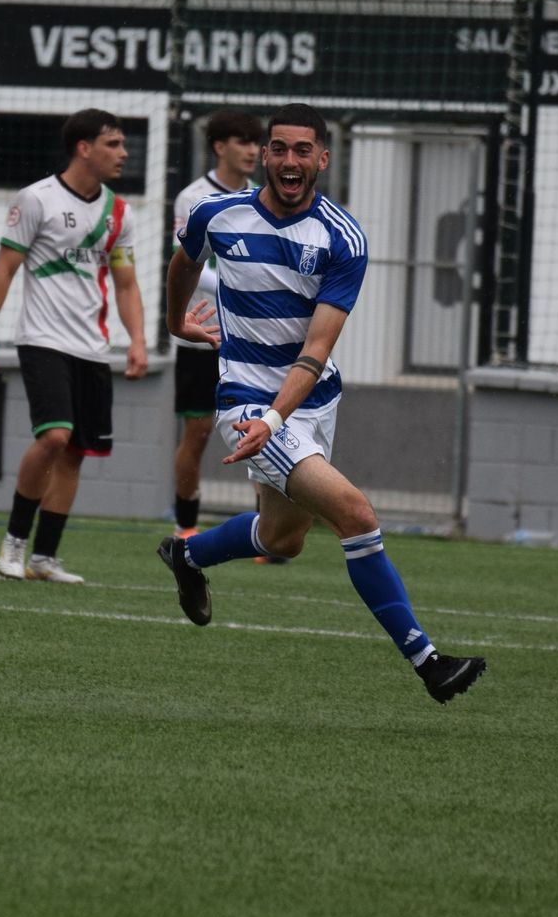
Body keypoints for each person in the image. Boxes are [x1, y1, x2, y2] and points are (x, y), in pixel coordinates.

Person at [157, 102, 486, 704]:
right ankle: (429, 662)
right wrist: (178, 323)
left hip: (309, 401)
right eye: (278, 148)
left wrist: (282, 418)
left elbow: (316, 349)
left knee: (283, 540)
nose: (288, 160)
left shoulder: (343, 237)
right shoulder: (217, 215)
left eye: (302, 150)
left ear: (322, 158)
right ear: (263, 155)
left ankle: (185, 553)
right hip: (246, 404)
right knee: (356, 516)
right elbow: (183, 262)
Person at [0, 108, 148, 584]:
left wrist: (139, 342)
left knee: (75, 452)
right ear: (83, 148)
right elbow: (4, 270)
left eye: (124, 145)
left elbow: (126, 284)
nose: (123, 153)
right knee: (54, 436)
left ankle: (45, 558)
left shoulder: (120, 213)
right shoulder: (36, 200)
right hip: (43, 339)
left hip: (93, 347)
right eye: (113, 144)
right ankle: (14, 542)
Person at [170, 110, 270, 545]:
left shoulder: (262, 199)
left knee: (258, 429)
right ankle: (186, 523)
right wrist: (239, 280)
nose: (252, 150)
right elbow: (191, 262)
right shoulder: (193, 197)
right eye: (241, 141)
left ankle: (266, 529)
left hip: (247, 339)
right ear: (219, 147)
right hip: (202, 334)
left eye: (255, 142)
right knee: (198, 431)